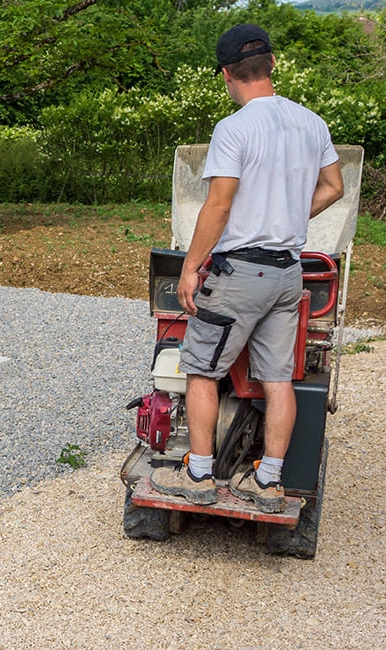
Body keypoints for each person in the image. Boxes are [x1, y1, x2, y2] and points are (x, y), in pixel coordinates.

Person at [150, 24, 344, 513]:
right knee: (278, 379)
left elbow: (218, 206)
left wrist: (192, 267)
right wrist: (288, 216)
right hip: (288, 273)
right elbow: (333, 187)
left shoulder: (233, 129)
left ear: (225, 75)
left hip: (241, 275)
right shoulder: (311, 123)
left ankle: (197, 474)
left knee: (199, 369)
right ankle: (269, 482)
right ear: (272, 65)